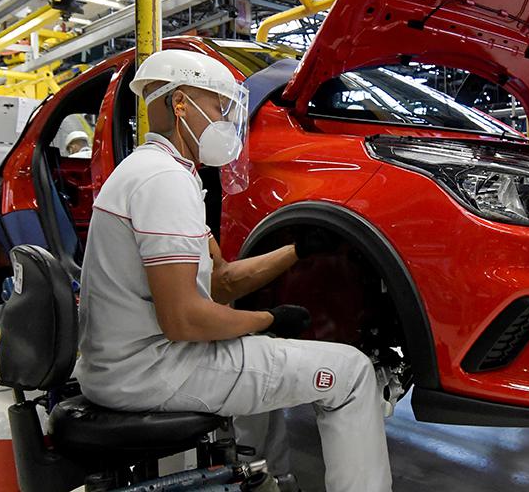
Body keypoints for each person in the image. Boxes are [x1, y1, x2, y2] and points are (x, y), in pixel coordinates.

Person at [74, 49, 392, 492]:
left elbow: (221, 281)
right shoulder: (161, 182)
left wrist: (297, 250)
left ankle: (265, 480)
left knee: (263, 359)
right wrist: (270, 321)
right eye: (217, 105)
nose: (225, 119)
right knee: (352, 373)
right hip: (151, 370)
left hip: (126, 363)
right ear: (180, 102)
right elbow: (184, 319)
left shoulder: (157, 172)